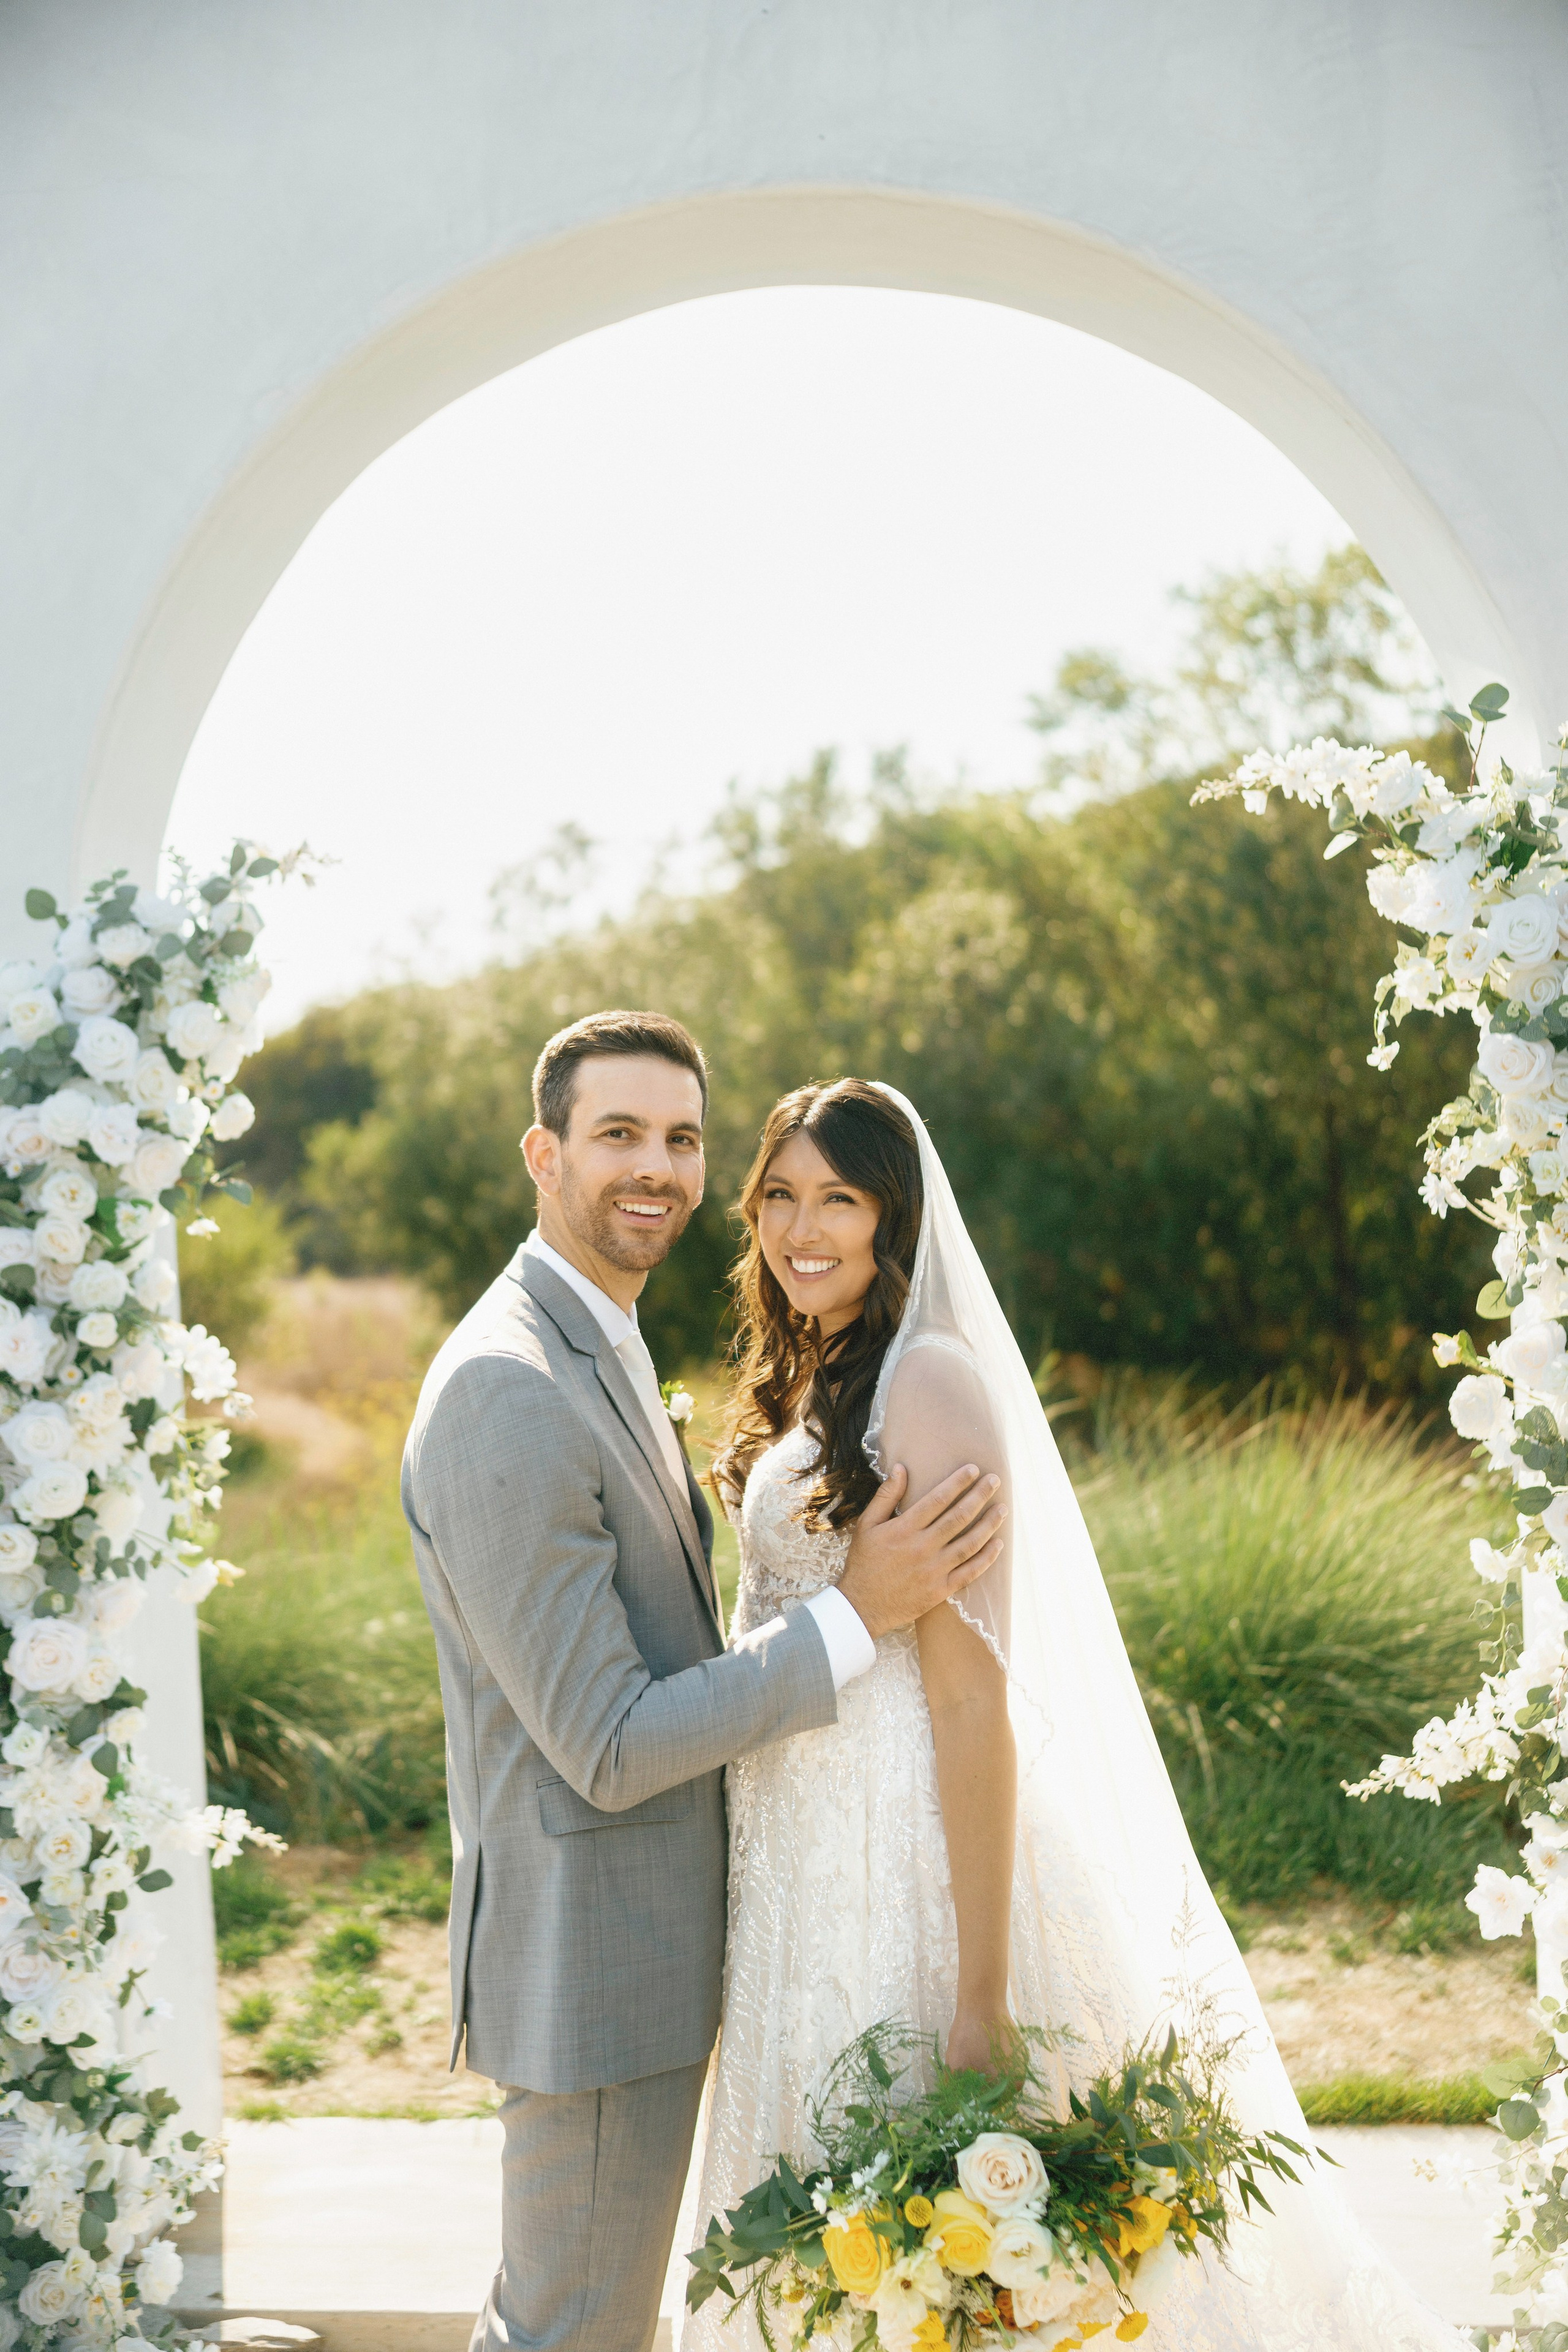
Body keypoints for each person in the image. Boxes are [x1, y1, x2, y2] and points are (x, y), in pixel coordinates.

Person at [684, 1076, 1469, 2352]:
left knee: (941, 2258)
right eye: (777, 1195)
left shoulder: (921, 1382)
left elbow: (965, 1693)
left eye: (838, 1197)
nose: (800, 1227)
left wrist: (981, 1988)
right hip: (797, 1874)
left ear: (896, 1217)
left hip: (904, 1874)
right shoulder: (809, 1374)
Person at [401, 1013, 1006, 2352]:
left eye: (680, 1138)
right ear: (541, 1153)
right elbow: (607, 1742)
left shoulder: (603, 1346)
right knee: (573, 2332)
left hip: (757, 1921)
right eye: (616, 1133)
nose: (655, 1167)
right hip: (595, 1953)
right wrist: (854, 1615)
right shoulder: (509, 1385)